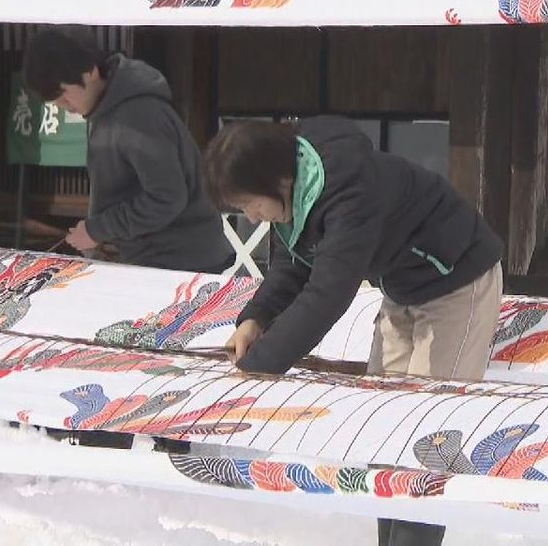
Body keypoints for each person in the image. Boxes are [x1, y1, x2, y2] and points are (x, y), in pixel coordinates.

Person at [204, 116, 504, 546]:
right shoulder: (298, 188)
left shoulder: (348, 191)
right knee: (386, 429)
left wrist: (263, 364)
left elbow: (328, 292)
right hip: (405, 286)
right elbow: (297, 260)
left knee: (426, 430)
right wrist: (255, 318)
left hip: (458, 279)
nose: (250, 216)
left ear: (277, 179)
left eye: (249, 203)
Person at [22, 26, 233, 274]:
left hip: (178, 260)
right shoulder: (107, 108)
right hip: (160, 257)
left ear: (90, 72)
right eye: (55, 103)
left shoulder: (137, 116)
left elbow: (165, 198)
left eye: (64, 97)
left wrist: (97, 230)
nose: (63, 108)